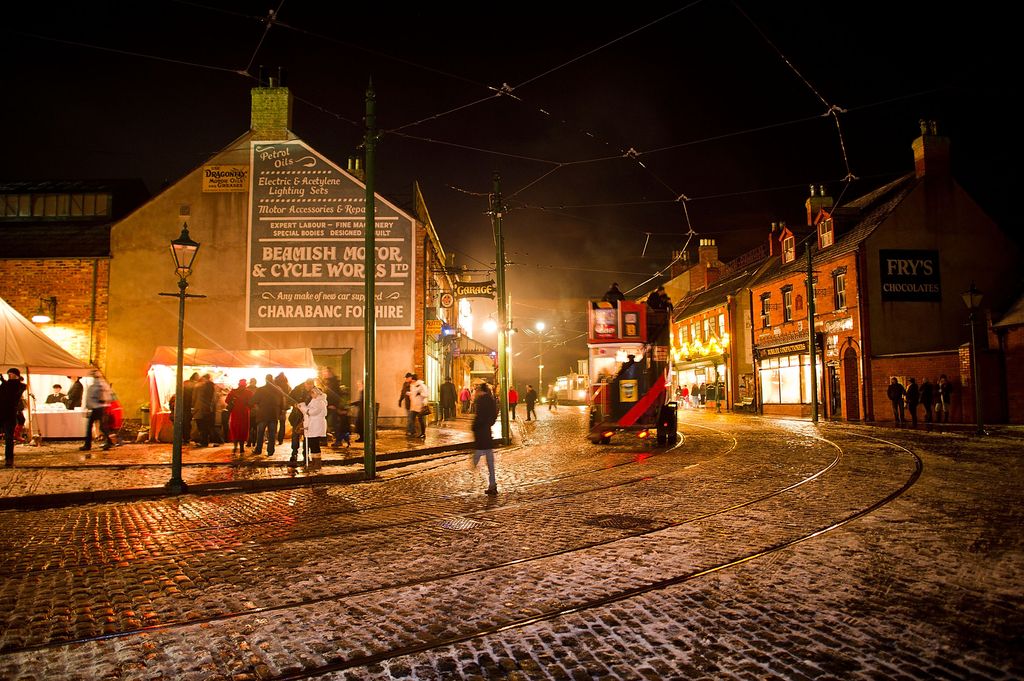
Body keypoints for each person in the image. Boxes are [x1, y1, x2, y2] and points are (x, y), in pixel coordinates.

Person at [470, 382, 499, 496]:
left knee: (478, 455)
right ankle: (492, 485)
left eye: (477, 390)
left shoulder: (481, 400)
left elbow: (479, 416)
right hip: (487, 432)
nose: (475, 392)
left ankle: (471, 474)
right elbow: (494, 414)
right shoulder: (491, 400)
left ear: (480, 391)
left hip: (481, 433)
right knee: (490, 461)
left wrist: (474, 427)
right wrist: (489, 424)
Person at [81, 369, 113, 451]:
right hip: (99, 407)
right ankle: (109, 441)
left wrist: (88, 406)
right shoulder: (102, 383)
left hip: (97, 407)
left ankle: (88, 445)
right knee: (102, 426)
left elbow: (92, 396)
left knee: (91, 426)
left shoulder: (98, 384)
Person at [1, 368, 27, 467]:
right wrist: (4, 382)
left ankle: (9, 459)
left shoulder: (21, 386)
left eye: (11, 374)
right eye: (8, 374)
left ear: (16, 375)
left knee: (9, 437)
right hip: (1, 412)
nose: (9, 376)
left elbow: (12, 396)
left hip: (10, 414)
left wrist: (4, 382)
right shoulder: (5, 384)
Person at [252, 374, 282, 456]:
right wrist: (279, 412)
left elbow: (253, 401)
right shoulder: (278, 390)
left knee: (260, 433)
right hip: (273, 415)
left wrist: (257, 408)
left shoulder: (260, 390)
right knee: (272, 434)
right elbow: (282, 403)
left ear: (265, 380)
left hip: (262, 415)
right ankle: (270, 451)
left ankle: (258, 450)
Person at [298, 385, 328, 466]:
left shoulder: (319, 402)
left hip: (316, 425)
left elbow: (312, 412)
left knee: (314, 444)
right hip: (313, 424)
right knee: (312, 443)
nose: (311, 394)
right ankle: (314, 462)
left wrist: (302, 407)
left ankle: (317, 463)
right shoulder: (315, 401)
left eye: (312, 393)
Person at [288, 378, 314, 458]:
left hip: (309, 416)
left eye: (311, 386)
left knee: (307, 435)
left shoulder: (315, 390)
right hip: (297, 415)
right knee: (296, 434)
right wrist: (294, 404)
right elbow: (289, 398)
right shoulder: (297, 389)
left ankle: (306, 453)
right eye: (308, 386)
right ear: (305, 384)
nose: (309, 388)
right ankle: (294, 452)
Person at [226, 379, 252, 454]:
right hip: (244, 413)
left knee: (235, 428)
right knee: (243, 430)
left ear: (238, 384)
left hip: (235, 412)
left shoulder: (233, 392)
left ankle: (235, 446)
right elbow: (251, 403)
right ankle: (241, 447)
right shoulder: (248, 393)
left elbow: (227, 400)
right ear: (245, 385)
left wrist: (233, 402)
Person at [192, 373, 217, 447]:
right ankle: (207, 441)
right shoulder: (212, 386)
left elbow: (194, 398)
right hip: (208, 409)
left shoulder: (199, 386)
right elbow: (214, 399)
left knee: (202, 426)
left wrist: (193, 406)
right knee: (207, 426)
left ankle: (204, 442)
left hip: (200, 409)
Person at [408, 373, 429, 439]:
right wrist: (409, 393)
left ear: (414, 380)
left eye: (412, 379)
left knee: (420, 420)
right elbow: (413, 394)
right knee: (411, 418)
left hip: (420, 405)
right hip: (413, 405)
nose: (411, 381)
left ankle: (422, 433)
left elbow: (426, 394)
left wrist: (420, 394)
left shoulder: (421, 385)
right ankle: (413, 432)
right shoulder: (412, 385)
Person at [181, 372, 199, 444]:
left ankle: (184, 438)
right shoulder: (195, 384)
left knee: (184, 423)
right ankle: (187, 438)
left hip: (183, 405)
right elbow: (194, 396)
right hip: (188, 406)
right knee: (187, 423)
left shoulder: (185, 383)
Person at [274, 372, 291, 445]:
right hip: (284, 407)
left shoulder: (275, 385)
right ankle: (280, 439)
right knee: (282, 423)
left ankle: (273, 439)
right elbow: (290, 396)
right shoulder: (287, 386)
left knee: (273, 423)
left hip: (276, 407)